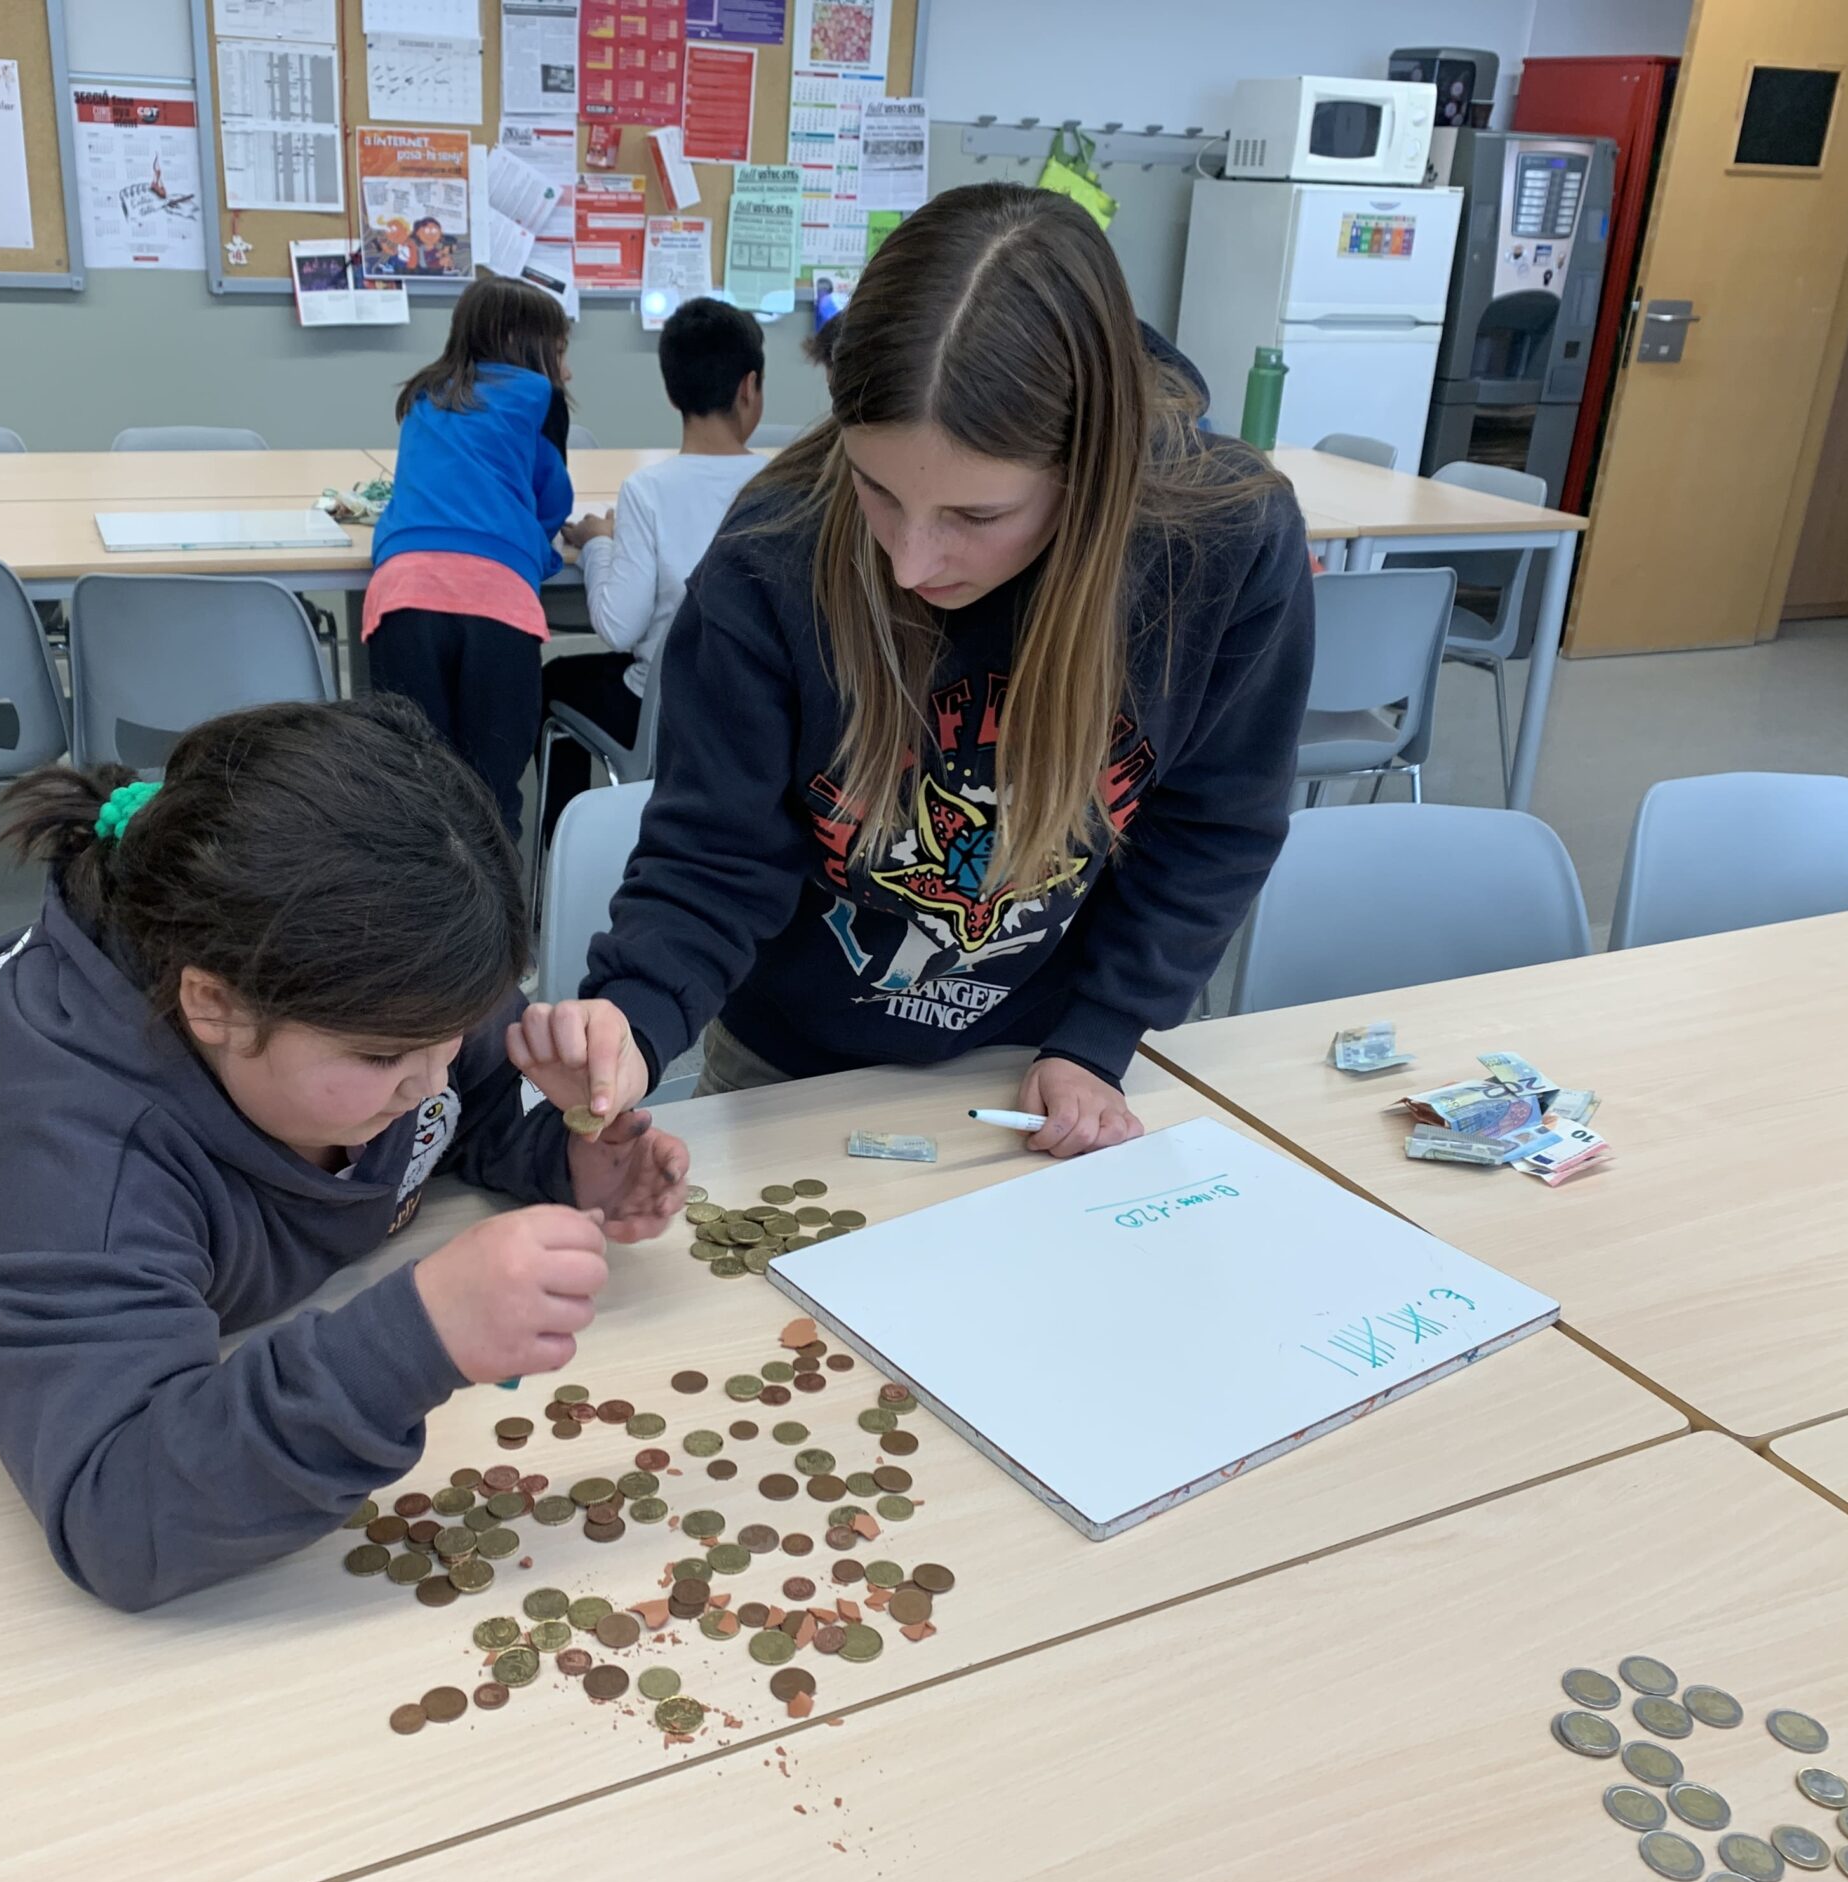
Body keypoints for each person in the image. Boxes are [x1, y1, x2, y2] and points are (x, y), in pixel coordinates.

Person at [0, 699, 683, 1612]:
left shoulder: (373, 996)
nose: (431, 1080)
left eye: (455, 1034)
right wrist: (413, 1340)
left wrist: (564, 1154)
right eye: (388, 1057)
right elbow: (121, 1512)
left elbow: (454, 1110)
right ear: (213, 1004)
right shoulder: (60, 1161)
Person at [574, 182, 1315, 1158]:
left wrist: (1100, 1034)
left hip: (1043, 1058)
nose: (910, 564)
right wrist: (631, 1021)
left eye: (976, 516)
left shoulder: (1223, 542)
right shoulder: (771, 553)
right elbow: (715, 853)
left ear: (1088, 472)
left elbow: (1212, 824)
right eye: (876, 489)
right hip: (789, 1061)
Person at [541, 295, 768, 838]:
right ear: (749, 387)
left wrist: (599, 545)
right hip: (761, 707)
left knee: (553, 679)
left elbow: (618, 627)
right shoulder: (781, 486)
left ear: (671, 393)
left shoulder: (648, 492)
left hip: (669, 710)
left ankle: (565, 852)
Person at [366, 276, 576, 838]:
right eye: (560, 352)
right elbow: (553, 502)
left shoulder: (423, 395)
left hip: (401, 596)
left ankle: (418, 894)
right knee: (491, 797)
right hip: (496, 604)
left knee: (414, 784)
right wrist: (541, 553)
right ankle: (495, 895)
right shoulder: (541, 398)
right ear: (518, 342)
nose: (567, 370)